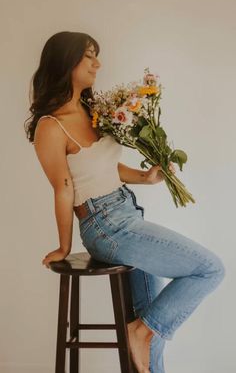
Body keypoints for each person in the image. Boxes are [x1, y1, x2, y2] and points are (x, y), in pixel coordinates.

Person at [24, 31, 225, 373]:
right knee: (210, 269)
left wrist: (146, 177)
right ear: (67, 61)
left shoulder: (91, 111)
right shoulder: (50, 126)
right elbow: (64, 188)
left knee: (152, 322)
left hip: (127, 213)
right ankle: (140, 331)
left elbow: (104, 167)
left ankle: (143, 332)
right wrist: (63, 246)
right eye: (89, 56)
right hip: (105, 225)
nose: (97, 64)